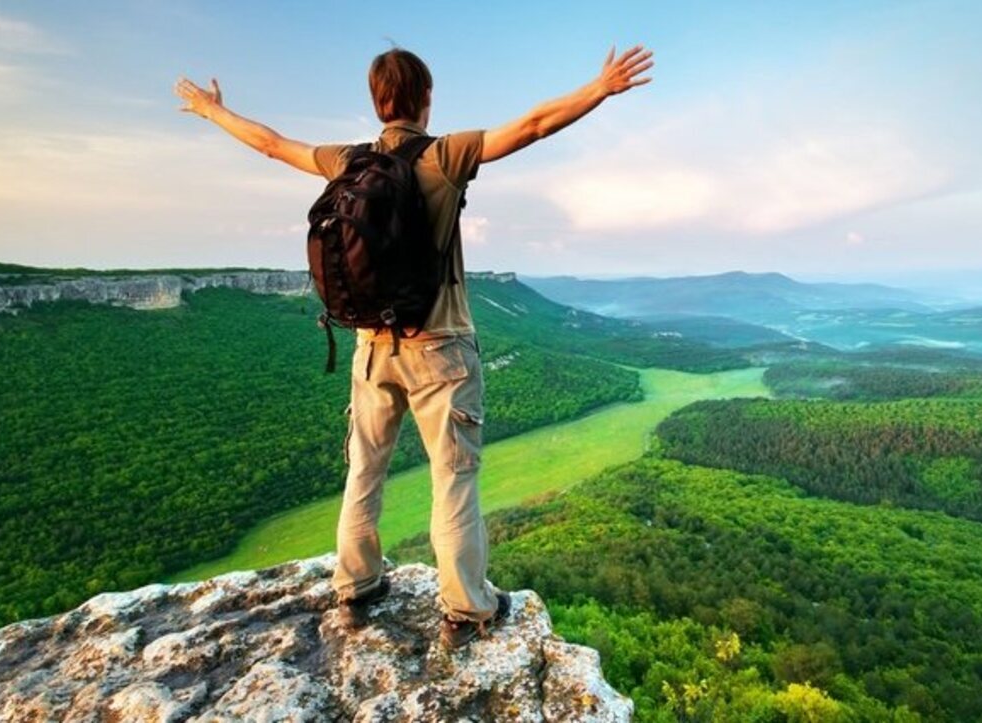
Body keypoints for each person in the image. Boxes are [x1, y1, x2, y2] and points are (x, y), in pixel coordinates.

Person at [174, 43, 653, 648]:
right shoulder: (444, 156)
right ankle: (465, 607)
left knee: (364, 470)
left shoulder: (346, 162)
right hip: (441, 350)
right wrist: (600, 87)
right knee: (453, 477)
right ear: (426, 99)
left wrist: (215, 111)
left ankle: (356, 587)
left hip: (371, 349)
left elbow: (272, 143)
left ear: (377, 102)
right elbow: (532, 127)